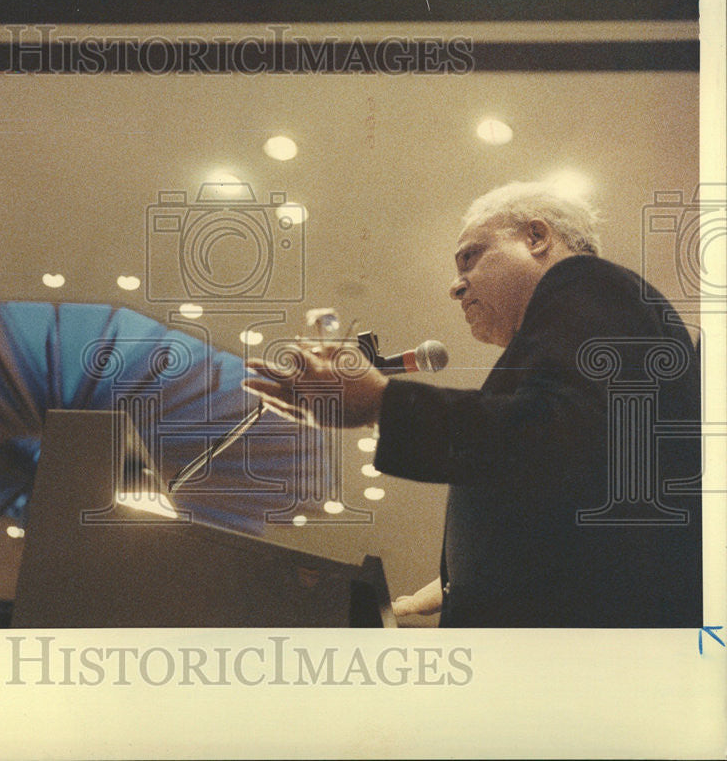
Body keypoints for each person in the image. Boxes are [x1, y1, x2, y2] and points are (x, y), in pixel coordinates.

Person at [243, 181, 702, 628]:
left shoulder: (589, 282)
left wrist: (381, 403)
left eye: (470, 257)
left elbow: (563, 440)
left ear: (537, 237)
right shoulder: (577, 330)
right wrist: (448, 587)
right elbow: (566, 495)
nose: (455, 287)